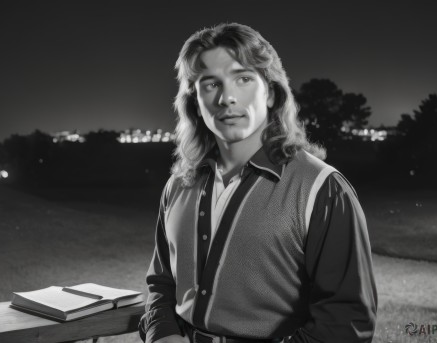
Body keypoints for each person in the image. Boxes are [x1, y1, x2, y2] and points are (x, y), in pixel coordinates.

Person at [139, 23, 377, 343]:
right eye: (210, 83)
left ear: (272, 93)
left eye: (244, 79)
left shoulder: (324, 190)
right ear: (195, 101)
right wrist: (162, 334)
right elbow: (161, 283)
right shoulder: (177, 186)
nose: (227, 98)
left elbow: (346, 322)